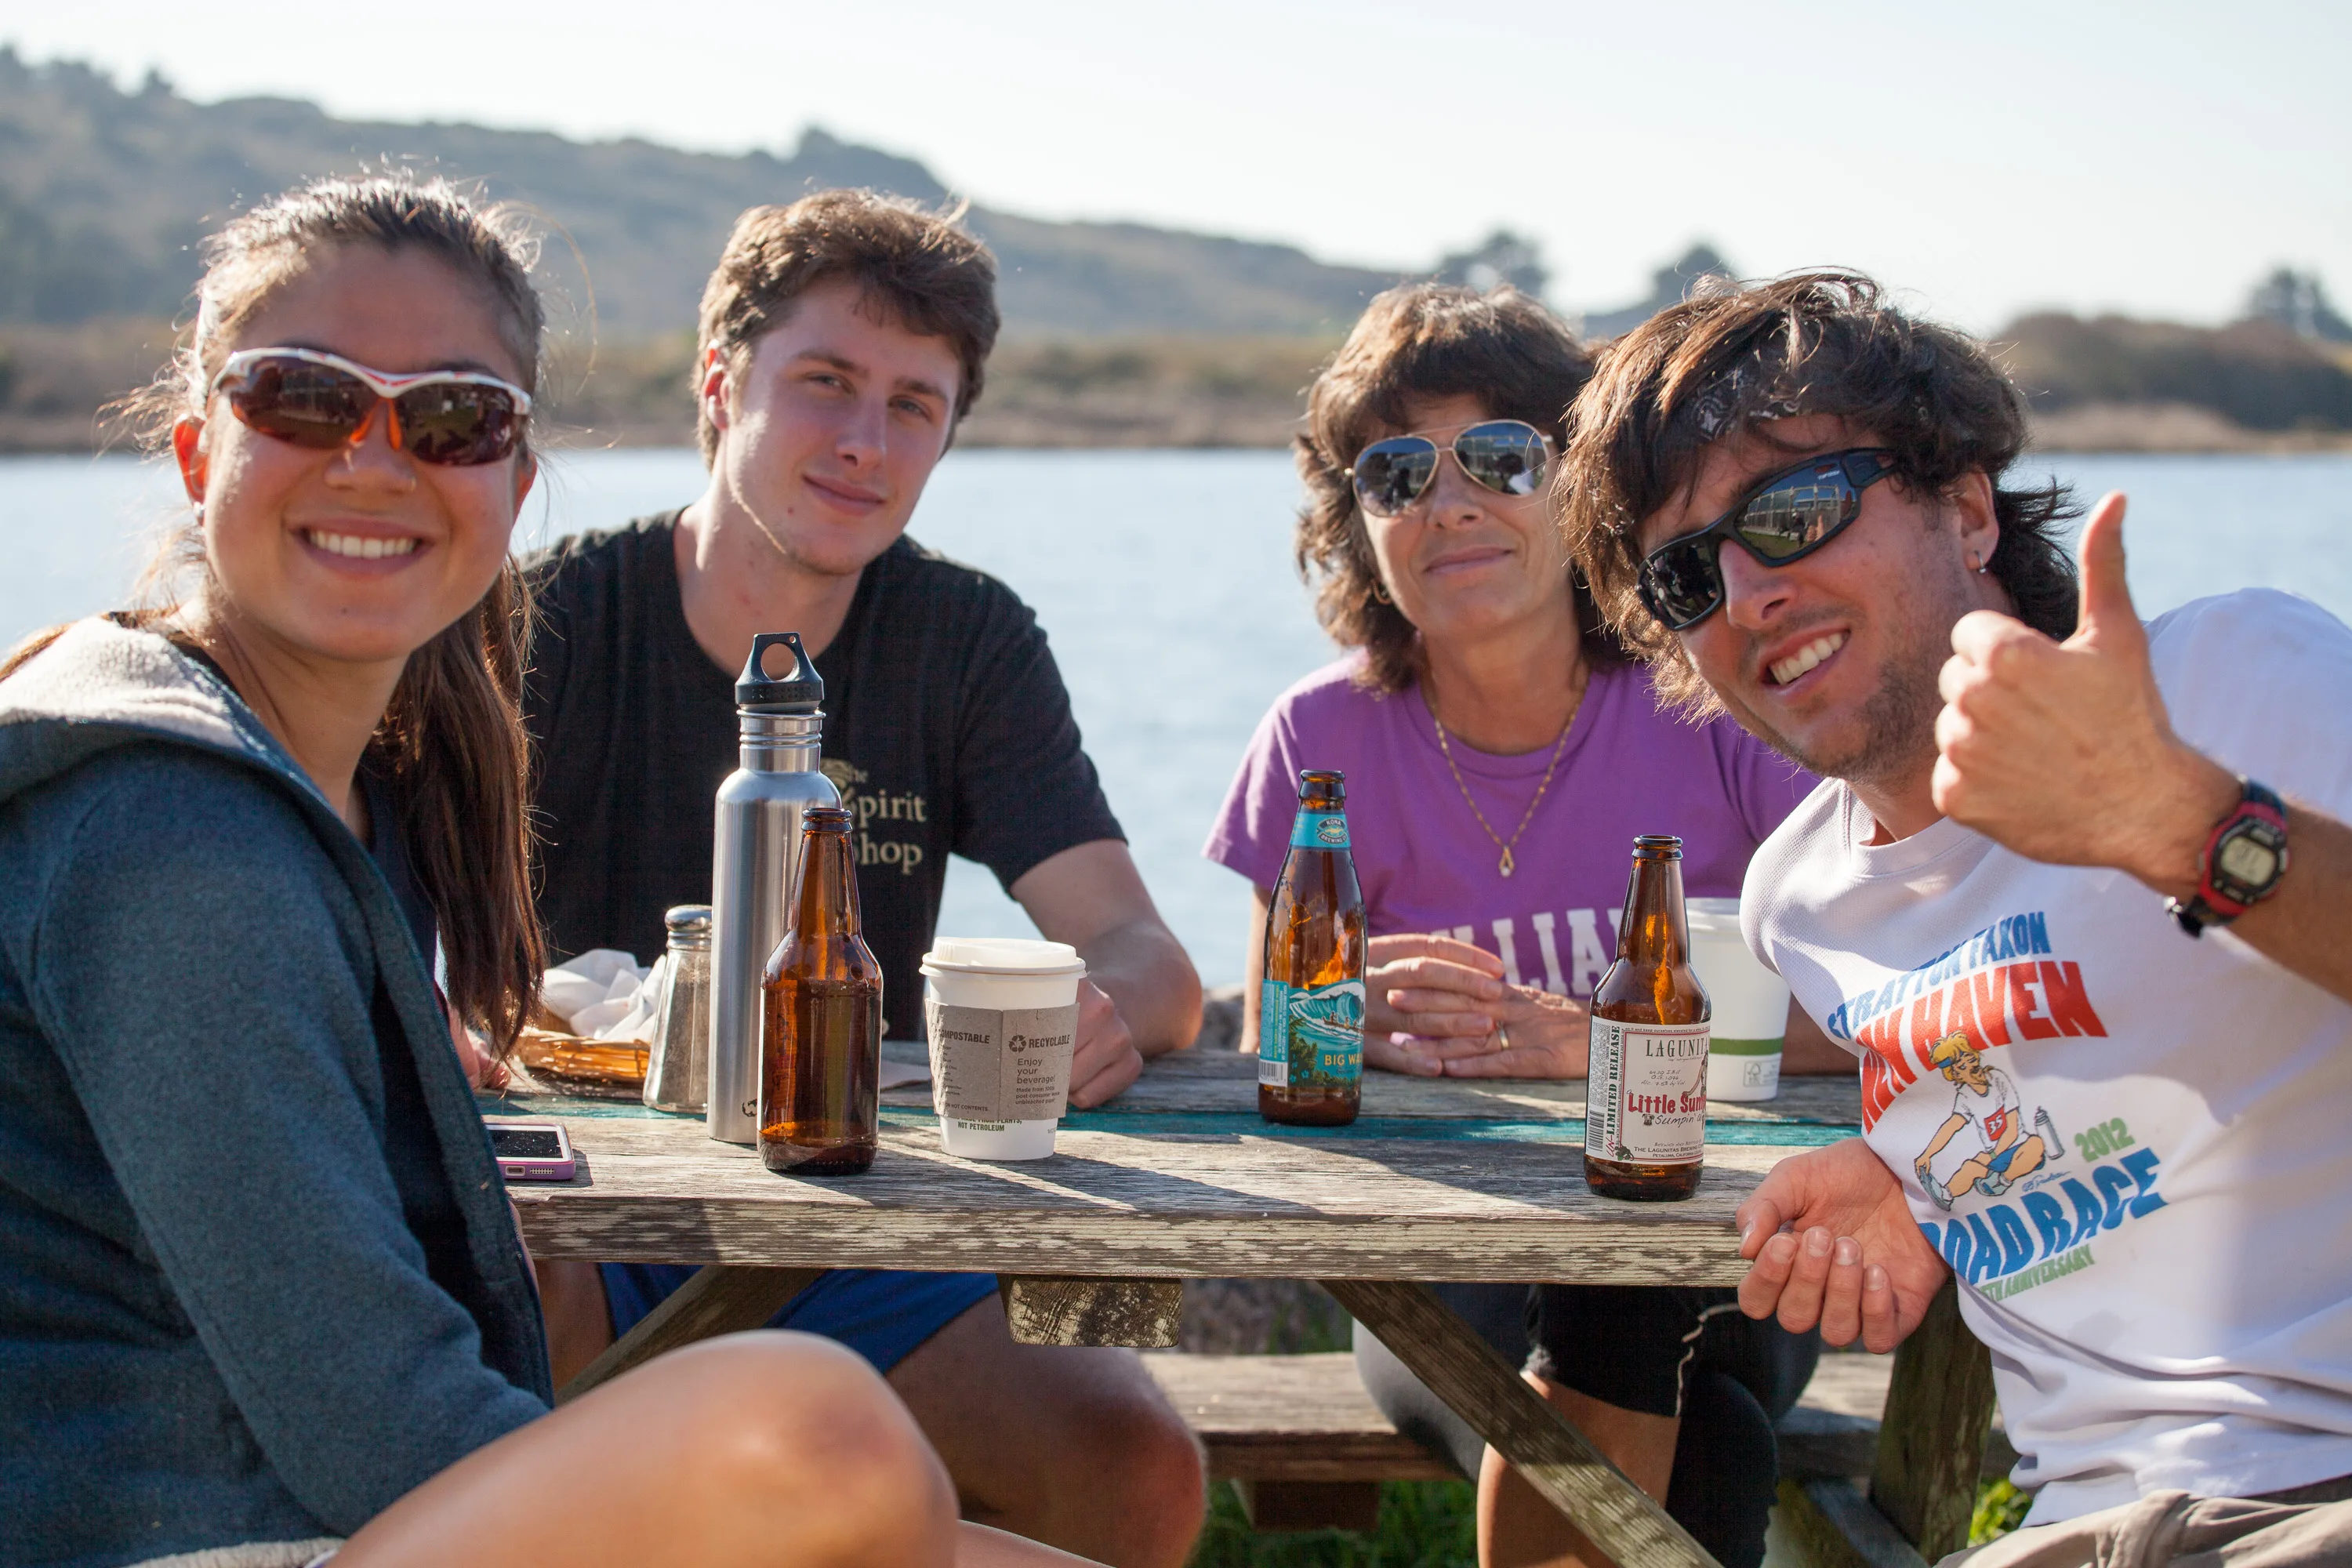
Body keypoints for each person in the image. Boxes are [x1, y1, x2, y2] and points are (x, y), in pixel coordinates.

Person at [0, 174, 1093, 1568]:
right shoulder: (172, 835)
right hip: (197, 1533)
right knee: (815, 1438)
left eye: (452, 418)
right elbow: (378, 1427)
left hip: (315, 1504)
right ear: (198, 452)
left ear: (512, 484)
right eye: (304, 399)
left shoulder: (342, 783)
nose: (375, 463)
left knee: (991, 1501)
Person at [1563, 270, 2352, 1566]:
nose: (1750, 593)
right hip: (2077, 1526)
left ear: (1969, 510)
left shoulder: (2233, 679)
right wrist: (1918, 1179)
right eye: (1688, 577)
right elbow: (2081, 1061)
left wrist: (2195, 830)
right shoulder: (1798, 900)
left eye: (1796, 511)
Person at [521, 190, 1205, 1567]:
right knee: (558, 1443)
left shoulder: (967, 637)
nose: (864, 442)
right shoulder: (544, 622)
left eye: (912, 405)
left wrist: (1090, 1016)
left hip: (864, 1211)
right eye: (825, 383)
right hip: (586, 1211)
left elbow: (1150, 959)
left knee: (1136, 1470)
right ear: (720, 385)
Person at [1203, 282, 1846, 1568]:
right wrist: (1333, 1016)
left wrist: (1604, 1048)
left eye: (1500, 458)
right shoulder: (1317, 738)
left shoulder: (1718, 703)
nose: (1448, 505)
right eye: (1397, 474)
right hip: (1446, 1265)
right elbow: (1258, 1036)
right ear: (1357, 525)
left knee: (1669, 1365)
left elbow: (1879, 1015)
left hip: (1724, 1233)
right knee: (1708, 1441)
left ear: (1586, 488)